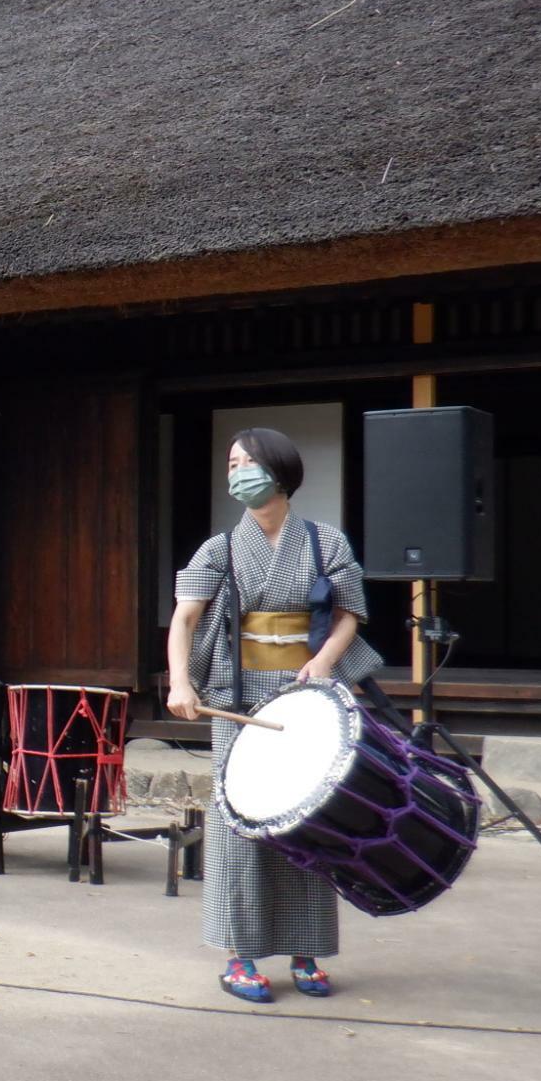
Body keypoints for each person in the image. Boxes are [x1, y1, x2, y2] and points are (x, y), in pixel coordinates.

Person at [165, 428, 381, 1003]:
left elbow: (348, 615)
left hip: (306, 694)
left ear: (278, 470)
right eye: (231, 464)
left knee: (308, 816)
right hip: (236, 699)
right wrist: (182, 681)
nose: (236, 473)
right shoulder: (220, 548)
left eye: (246, 462)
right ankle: (240, 954)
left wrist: (323, 664)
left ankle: (305, 949)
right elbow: (184, 619)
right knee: (241, 822)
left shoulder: (325, 542)